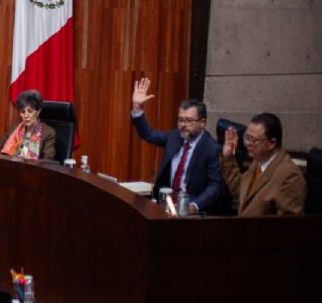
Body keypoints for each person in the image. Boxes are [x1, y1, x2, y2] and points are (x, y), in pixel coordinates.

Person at [130, 78, 224, 214]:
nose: (183, 125)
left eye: (189, 121)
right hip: (166, 206)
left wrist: (194, 206)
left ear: (202, 123)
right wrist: (137, 107)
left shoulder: (211, 148)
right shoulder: (175, 137)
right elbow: (148, 134)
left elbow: (214, 187)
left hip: (191, 213)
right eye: (180, 120)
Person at [221, 112, 305, 216]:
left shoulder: (290, 177)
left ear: (272, 143)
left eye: (254, 140)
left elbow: (289, 224)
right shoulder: (259, 161)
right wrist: (228, 157)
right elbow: (242, 194)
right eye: (247, 138)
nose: (248, 144)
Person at [0, 90, 56, 160]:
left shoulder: (48, 133)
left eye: (30, 111)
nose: (26, 115)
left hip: (33, 169)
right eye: (23, 112)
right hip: (11, 166)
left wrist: (31, 161)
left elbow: (48, 161)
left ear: (38, 111)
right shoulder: (16, 127)